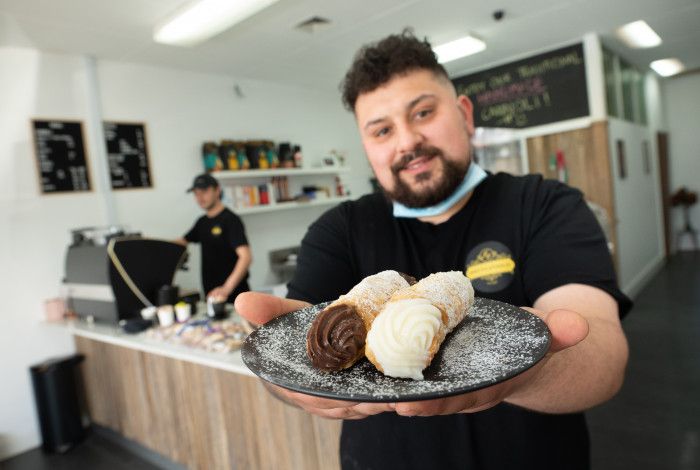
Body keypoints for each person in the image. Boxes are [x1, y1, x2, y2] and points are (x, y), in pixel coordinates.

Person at [235, 30, 631, 470]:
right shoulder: (339, 229)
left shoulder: (546, 206)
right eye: (382, 130)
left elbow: (603, 361)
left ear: (463, 113)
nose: (406, 142)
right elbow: (292, 362)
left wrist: (527, 371)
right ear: (367, 146)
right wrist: (286, 379)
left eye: (423, 112)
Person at [177, 173, 252, 304]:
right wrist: (151, 245)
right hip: (210, 293)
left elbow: (246, 257)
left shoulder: (231, 220)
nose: (200, 197)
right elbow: (182, 241)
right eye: (196, 193)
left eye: (204, 191)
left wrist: (226, 288)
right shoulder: (201, 222)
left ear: (217, 190)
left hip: (234, 294)